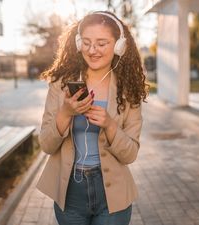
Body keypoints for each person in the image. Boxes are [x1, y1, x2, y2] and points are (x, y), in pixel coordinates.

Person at [37, 11, 148, 225]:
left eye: (101, 43)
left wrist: (109, 125)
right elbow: (46, 145)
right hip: (70, 193)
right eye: (86, 43)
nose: (92, 50)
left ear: (119, 46)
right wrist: (66, 113)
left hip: (113, 195)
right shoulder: (60, 86)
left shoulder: (129, 90)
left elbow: (130, 154)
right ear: (78, 44)